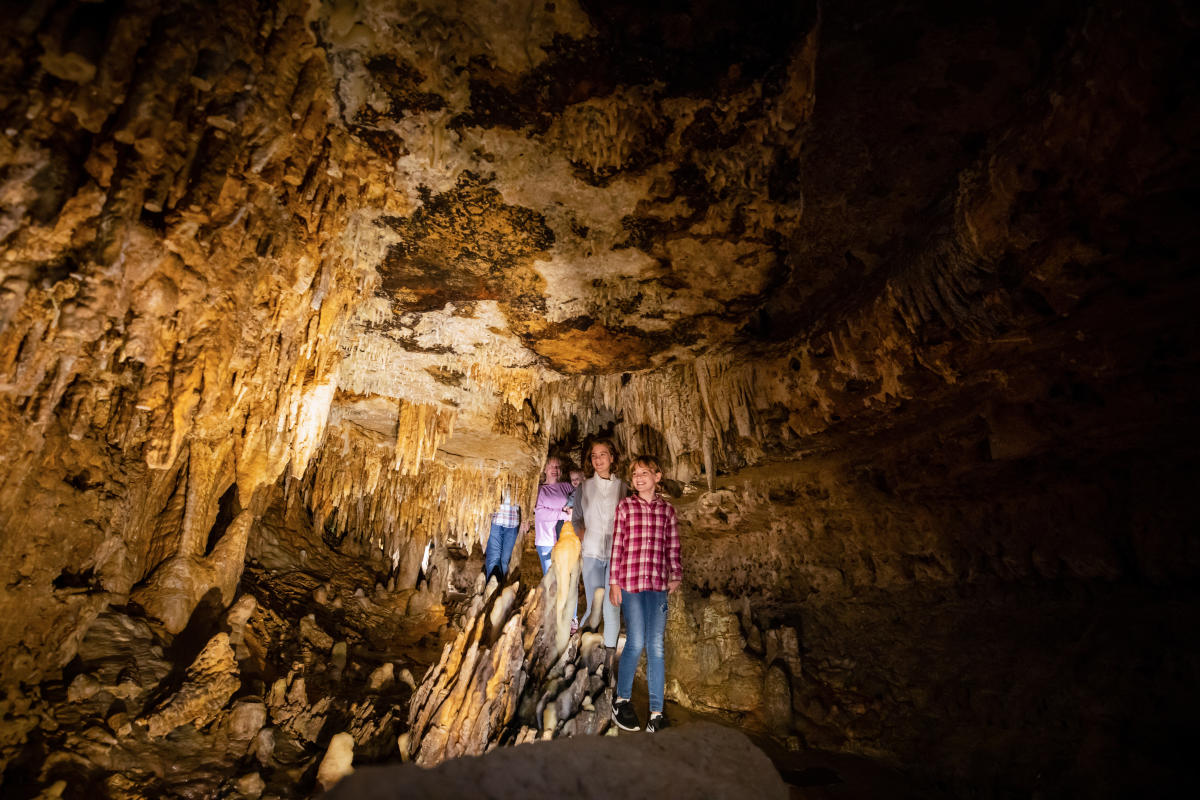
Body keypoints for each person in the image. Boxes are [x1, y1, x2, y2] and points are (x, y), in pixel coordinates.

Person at [608, 454, 681, 733]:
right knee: (636, 641)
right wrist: (614, 582)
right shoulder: (626, 506)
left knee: (657, 646)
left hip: (658, 583)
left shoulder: (667, 511)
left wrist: (675, 573)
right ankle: (622, 700)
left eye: (644, 473)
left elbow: (672, 546)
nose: (638, 478)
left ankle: (656, 713)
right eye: (635, 474)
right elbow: (618, 545)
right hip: (630, 582)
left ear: (657, 476)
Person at [572, 438, 628, 643]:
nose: (598, 459)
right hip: (592, 553)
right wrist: (584, 536)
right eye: (594, 456)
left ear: (612, 458)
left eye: (603, 454)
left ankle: (608, 659)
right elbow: (576, 518)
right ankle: (583, 651)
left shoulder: (623, 488)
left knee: (611, 606)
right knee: (593, 606)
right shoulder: (584, 487)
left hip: (616, 556)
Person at [534, 456, 574, 574]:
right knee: (550, 578)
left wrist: (572, 508)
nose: (554, 469)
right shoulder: (540, 490)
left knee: (564, 577)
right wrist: (564, 515)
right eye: (551, 466)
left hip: (565, 539)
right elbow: (540, 514)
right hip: (546, 541)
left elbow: (578, 496)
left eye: (557, 467)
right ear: (545, 469)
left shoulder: (566, 486)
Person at [483, 490, 521, 584]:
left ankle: (503, 589)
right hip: (496, 520)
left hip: (512, 522)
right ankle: (491, 592)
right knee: (493, 558)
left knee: (506, 560)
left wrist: (526, 519)